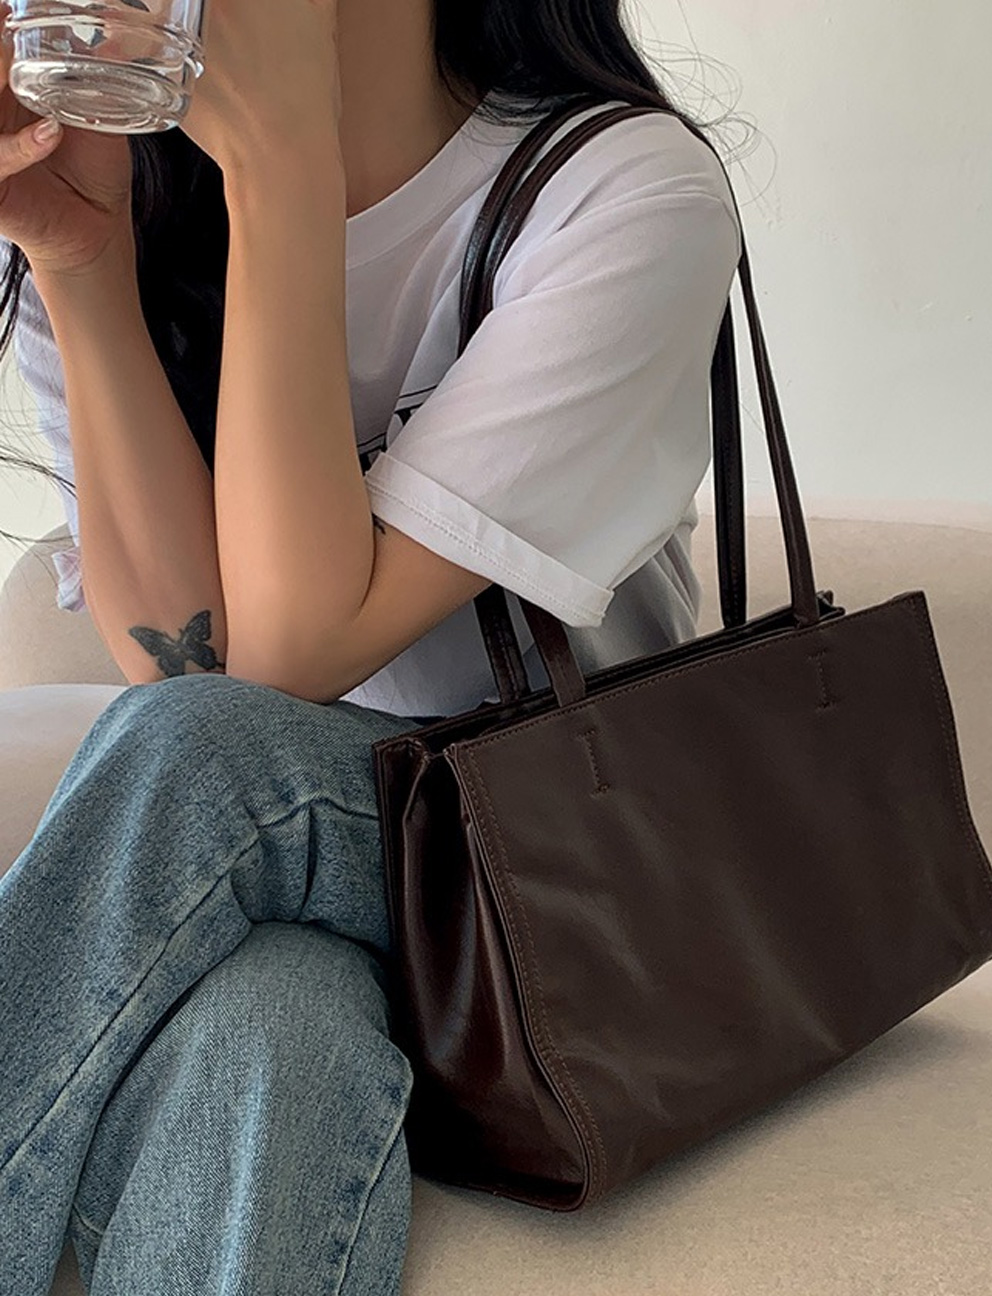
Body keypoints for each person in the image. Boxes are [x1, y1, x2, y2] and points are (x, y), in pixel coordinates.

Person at [0, 0, 742, 1290]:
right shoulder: (133, 195)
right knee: (270, 1024)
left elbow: (275, 673)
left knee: (202, 754)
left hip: (561, 882)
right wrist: (81, 260)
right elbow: (188, 660)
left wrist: (284, 164)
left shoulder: (617, 190)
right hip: (294, 872)